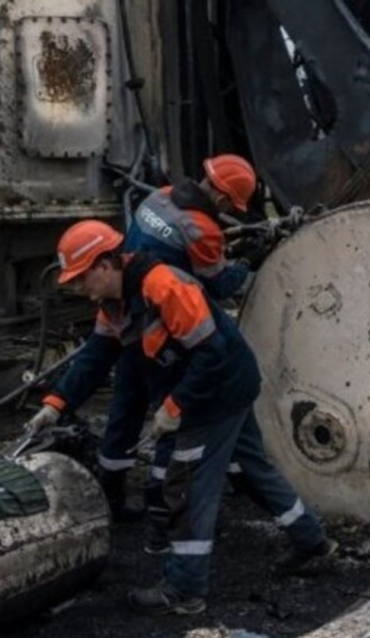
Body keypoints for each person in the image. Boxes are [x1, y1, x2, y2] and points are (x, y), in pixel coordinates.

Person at [28, 219, 336, 615]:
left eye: (80, 279)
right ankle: (314, 542)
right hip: (221, 386)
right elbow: (96, 357)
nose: (79, 290)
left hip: (217, 389)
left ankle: (185, 590)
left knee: (187, 485)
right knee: (252, 468)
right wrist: (55, 404)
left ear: (105, 265)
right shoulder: (114, 305)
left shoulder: (164, 286)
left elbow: (213, 353)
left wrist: (175, 407)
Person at [101, 154, 260, 544]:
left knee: (126, 405)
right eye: (230, 206)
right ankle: (161, 502)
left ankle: (112, 495)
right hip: (164, 331)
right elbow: (219, 285)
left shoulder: (159, 197)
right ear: (222, 199)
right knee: (171, 415)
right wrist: (248, 261)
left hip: (127, 320)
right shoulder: (202, 230)